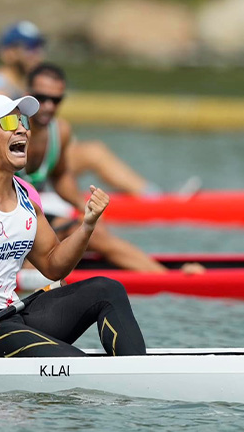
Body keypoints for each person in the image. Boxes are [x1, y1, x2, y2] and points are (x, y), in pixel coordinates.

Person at [0, 94, 147, 367]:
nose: (22, 129)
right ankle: (122, 376)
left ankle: (138, 373)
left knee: (107, 289)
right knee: (75, 365)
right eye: (8, 122)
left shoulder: (27, 196)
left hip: (10, 316)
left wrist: (87, 225)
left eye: (23, 121)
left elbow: (54, 265)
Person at [0, 22, 192, 197]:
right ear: (7, 52)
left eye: (40, 45)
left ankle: (147, 196)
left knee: (90, 150)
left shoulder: (25, 83)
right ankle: (155, 200)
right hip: (9, 173)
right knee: (94, 153)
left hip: (29, 165)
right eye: (29, 47)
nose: (37, 53)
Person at [19, 63, 203, 274]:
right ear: (27, 96)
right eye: (41, 98)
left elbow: (60, 177)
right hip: (3, 223)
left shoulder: (60, 131)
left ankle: (166, 277)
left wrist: (83, 206)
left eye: (56, 100)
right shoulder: (11, 130)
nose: (49, 106)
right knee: (56, 246)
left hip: (32, 218)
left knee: (94, 231)